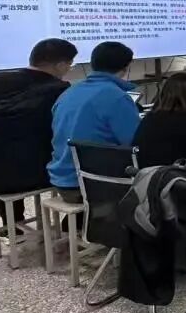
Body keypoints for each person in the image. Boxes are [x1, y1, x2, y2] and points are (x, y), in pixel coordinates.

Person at [0, 38, 77, 227]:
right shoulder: (60, 90)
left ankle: (12, 226)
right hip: (40, 174)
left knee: (2, 153)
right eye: (70, 64)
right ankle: (71, 227)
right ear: (61, 65)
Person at [48, 42, 142, 202]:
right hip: (95, 184)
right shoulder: (117, 97)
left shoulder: (68, 92)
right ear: (126, 67)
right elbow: (135, 143)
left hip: (62, 180)